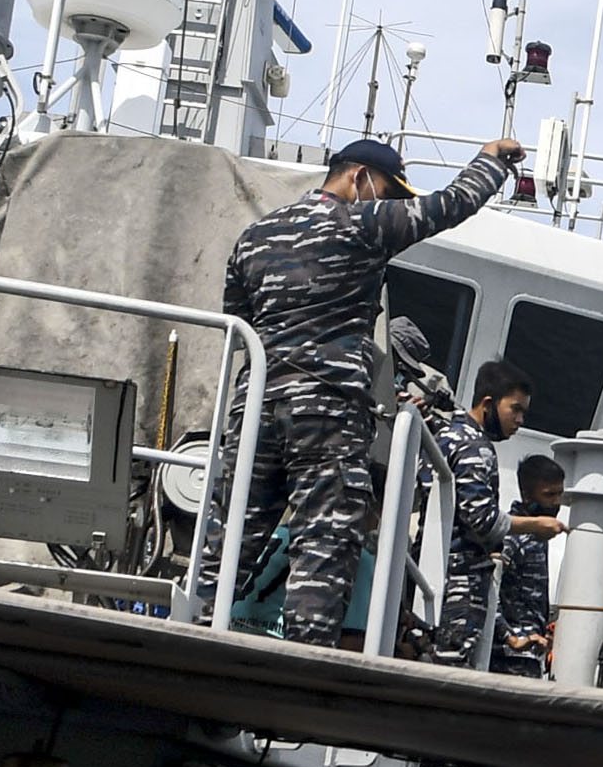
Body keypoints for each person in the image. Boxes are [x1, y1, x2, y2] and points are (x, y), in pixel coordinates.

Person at [209, 136, 524, 646]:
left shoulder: (254, 236)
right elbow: (450, 206)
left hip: (255, 407)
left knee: (230, 538)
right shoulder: (361, 224)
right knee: (324, 539)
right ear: (357, 179)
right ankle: (304, 666)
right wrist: (490, 162)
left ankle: (193, 628)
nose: (388, 205)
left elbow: (237, 323)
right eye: (385, 193)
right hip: (326, 410)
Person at [387, 330, 534, 671]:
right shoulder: (475, 447)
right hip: (458, 583)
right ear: (487, 403)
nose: (520, 421)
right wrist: (535, 526)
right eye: (515, 409)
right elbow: (481, 519)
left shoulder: (448, 435)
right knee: (446, 672)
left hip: (434, 571)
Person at [490, 455, 566, 678]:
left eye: (560, 494)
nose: (556, 502)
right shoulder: (512, 538)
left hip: (531, 655)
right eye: (549, 495)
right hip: (508, 658)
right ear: (526, 496)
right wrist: (510, 637)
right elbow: (487, 587)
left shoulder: (538, 536)